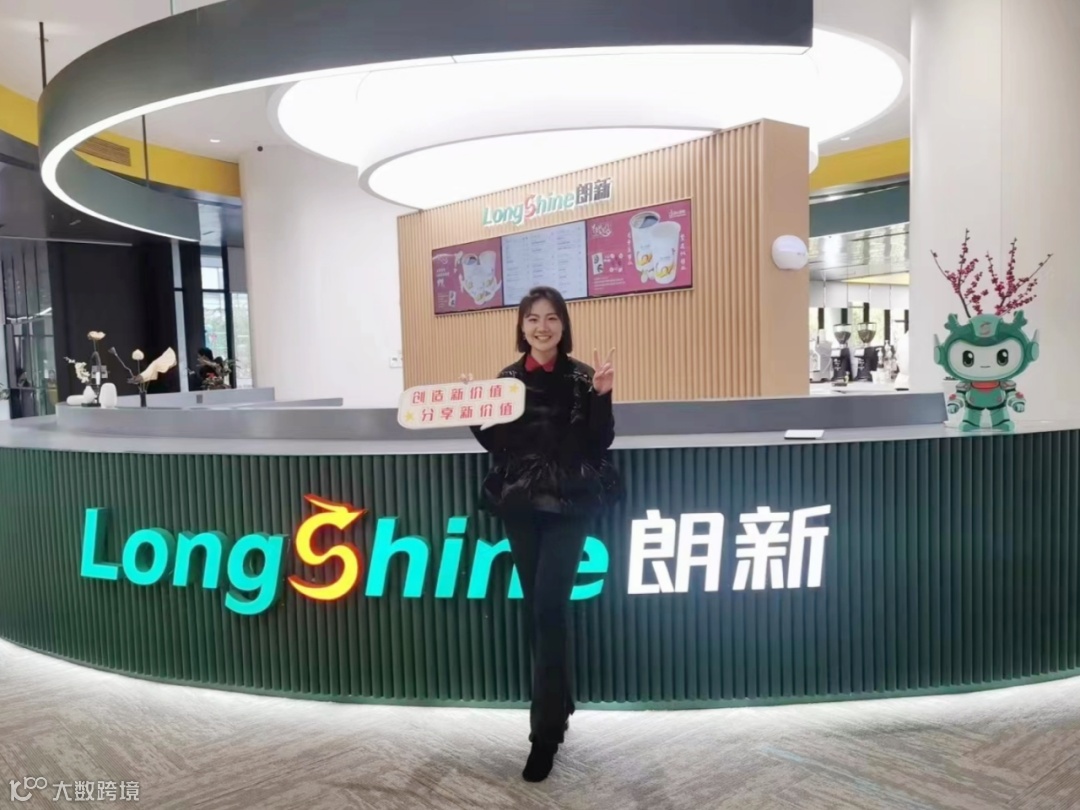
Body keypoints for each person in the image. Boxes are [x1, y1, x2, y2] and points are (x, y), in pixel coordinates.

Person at [465, 286, 620, 782]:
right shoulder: (507, 380)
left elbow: (600, 441)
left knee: (550, 609)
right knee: (540, 611)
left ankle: (545, 736)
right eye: (533, 318)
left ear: (563, 325)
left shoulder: (582, 377)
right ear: (522, 326)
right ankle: (561, 703)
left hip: (569, 504)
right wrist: (474, 411)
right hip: (521, 506)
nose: (542, 327)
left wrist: (602, 395)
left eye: (552, 318)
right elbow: (497, 444)